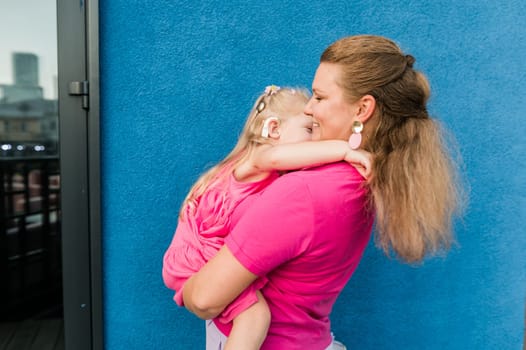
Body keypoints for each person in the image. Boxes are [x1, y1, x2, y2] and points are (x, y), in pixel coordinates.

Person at [181, 34, 465, 350]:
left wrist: (186, 272)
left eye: (319, 97)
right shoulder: (362, 182)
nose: (309, 109)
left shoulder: (303, 191)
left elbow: (204, 299)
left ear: (363, 109)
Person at [162, 85, 372, 350]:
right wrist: (344, 150)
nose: (315, 141)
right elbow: (279, 156)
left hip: (197, 259)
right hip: (196, 258)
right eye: (309, 130)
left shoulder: (261, 172)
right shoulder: (259, 158)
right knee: (255, 316)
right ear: (274, 130)